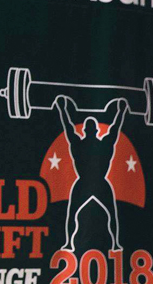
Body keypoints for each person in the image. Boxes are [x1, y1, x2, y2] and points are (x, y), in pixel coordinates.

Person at [54, 96, 129, 253]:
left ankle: (115, 243)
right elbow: (115, 128)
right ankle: (69, 243)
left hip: (94, 182)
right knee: (75, 214)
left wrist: (62, 109)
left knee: (109, 215)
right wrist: (121, 111)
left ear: (86, 130)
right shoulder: (103, 143)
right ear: (96, 130)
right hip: (90, 182)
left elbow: (68, 127)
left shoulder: (79, 143)